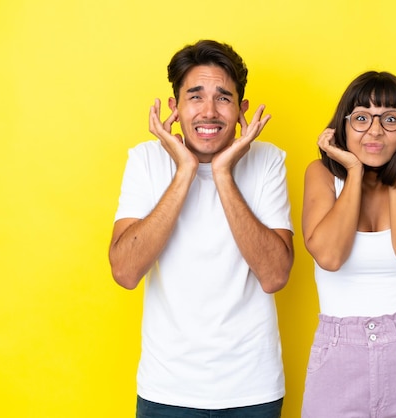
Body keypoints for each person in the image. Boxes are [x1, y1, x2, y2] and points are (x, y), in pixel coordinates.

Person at [109, 39, 294, 418]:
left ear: (241, 109)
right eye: (195, 96)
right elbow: (125, 271)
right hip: (167, 390)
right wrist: (186, 170)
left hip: (252, 390)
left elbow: (275, 275)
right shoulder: (145, 161)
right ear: (174, 107)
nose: (209, 112)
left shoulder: (268, 161)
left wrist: (222, 171)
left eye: (223, 98)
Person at [301, 71, 396, 417]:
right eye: (362, 118)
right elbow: (329, 256)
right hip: (337, 353)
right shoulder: (321, 175)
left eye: (390, 119)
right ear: (343, 126)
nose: (375, 131)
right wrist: (352, 170)